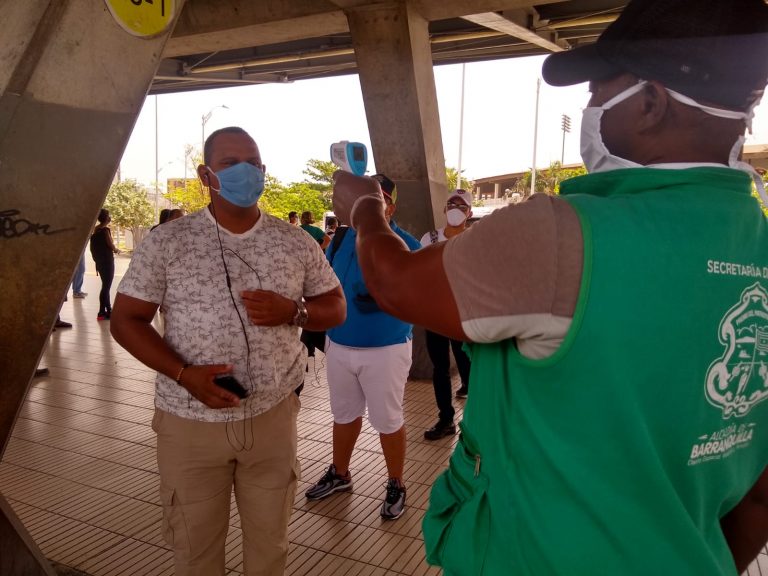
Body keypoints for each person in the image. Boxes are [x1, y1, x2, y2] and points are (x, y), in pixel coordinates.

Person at [330, 0, 768, 573]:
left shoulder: (562, 234)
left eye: (598, 94)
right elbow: (759, 493)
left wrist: (365, 210)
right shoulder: (753, 240)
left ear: (652, 104)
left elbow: (393, 282)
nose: (589, 111)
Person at [110, 126, 345, 576]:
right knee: (195, 553)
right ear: (205, 174)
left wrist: (294, 311)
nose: (245, 172)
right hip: (189, 424)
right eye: (229, 163)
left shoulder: (293, 241)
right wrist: (183, 374)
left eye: (253, 163)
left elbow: (335, 306)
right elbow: (126, 321)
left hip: (271, 419)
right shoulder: (168, 241)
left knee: (270, 547)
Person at [304, 173, 421, 521]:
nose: (369, 204)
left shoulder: (407, 244)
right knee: (343, 415)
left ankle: (396, 482)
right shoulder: (339, 240)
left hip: (386, 347)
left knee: (387, 420)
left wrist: (387, 297)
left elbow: (418, 297)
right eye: (363, 197)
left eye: (379, 197)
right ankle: (340, 473)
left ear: (391, 206)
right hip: (339, 344)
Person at [419, 189, 473, 441]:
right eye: (451, 204)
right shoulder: (428, 239)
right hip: (435, 315)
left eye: (462, 206)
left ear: (469, 213)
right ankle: (446, 419)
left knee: (469, 365)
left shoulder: (477, 239)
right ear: (443, 209)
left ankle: (475, 421)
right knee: (439, 368)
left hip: (465, 316)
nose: (455, 209)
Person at [90, 208, 119, 321]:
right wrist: (117, 250)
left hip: (100, 262)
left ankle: (108, 310)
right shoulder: (105, 230)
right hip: (107, 261)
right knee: (106, 287)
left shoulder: (96, 229)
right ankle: (102, 312)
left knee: (105, 286)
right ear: (107, 217)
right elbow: (111, 245)